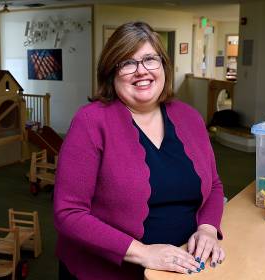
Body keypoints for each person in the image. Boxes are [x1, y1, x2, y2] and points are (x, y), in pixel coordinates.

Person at [54, 21, 225, 280]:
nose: (141, 71)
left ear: (163, 66)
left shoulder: (189, 117)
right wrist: (143, 253)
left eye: (149, 59)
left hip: (180, 267)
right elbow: (69, 213)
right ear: (111, 72)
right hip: (106, 272)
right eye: (127, 63)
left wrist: (208, 229)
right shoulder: (90, 122)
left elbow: (213, 185)